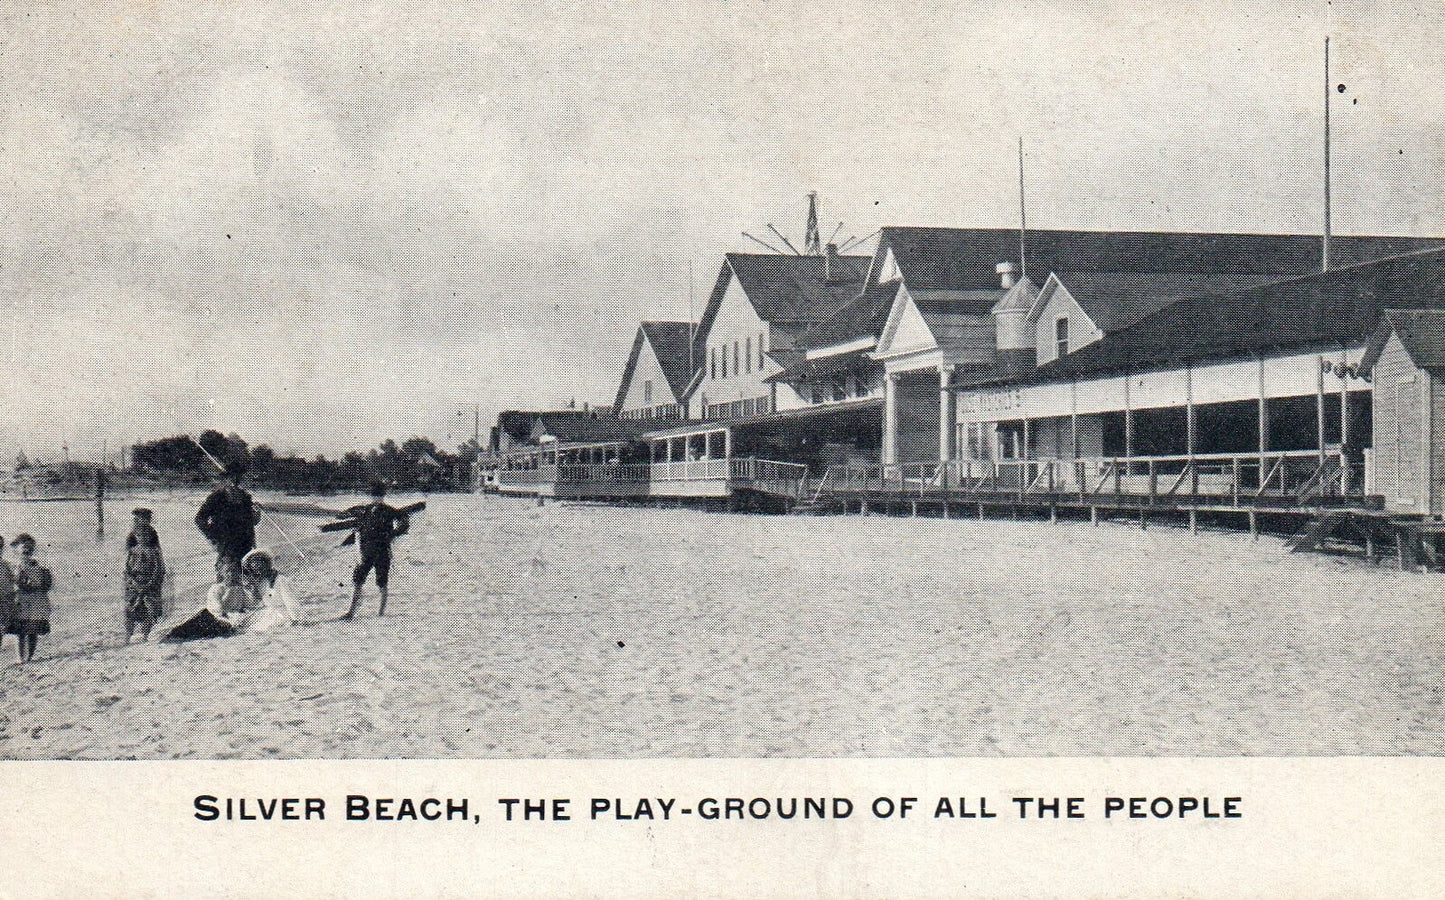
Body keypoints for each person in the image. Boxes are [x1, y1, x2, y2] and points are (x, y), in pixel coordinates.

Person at [194, 464, 259, 614]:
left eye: (237, 479)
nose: (234, 482)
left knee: (246, 577)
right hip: (226, 545)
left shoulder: (245, 498)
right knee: (227, 576)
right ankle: (221, 609)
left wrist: (257, 514)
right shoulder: (217, 498)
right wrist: (213, 538)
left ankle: (240, 607)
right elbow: (199, 519)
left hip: (245, 543)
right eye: (230, 479)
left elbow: (252, 522)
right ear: (224, 480)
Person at [343, 481, 410, 619]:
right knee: (358, 579)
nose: (376, 498)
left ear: (383, 496)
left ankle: (380, 613)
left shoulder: (389, 510)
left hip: (383, 550)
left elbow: (404, 521)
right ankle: (351, 611)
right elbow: (361, 527)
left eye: (379, 496)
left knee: (382, 581)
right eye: (374, 496)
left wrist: (393, 534)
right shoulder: (367, 510)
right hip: (367, 551)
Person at [123, 508, 166, 644]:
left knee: (149, 608)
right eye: (136, 518)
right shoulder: (132, 540)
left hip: (148, 581)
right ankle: (129, 634)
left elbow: (159, 567)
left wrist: (149, 583)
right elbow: (128, 566)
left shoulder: (153, 543)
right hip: (135, 581)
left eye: (142, 518)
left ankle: (146, 633)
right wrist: (131, 580)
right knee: (131, 608)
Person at [9, 534, 51, 663]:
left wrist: (40, 584)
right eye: (24, 547)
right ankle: (20, 657)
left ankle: (29, 656)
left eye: (30, 547)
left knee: (33, 631)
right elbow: (12, 584)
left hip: (37, 602)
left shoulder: (40, 567)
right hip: (21, 602)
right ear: (16, 549)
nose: (27, 550)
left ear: (33, 549)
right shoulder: (14, 567)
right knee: (20, 632)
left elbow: (47, 584)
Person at [238, 548, 302, 631]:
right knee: (248, 626)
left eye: (261, 567)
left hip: (283, 614)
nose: (259, 571)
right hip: (270, 613)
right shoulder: (261, 581)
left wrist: (295, 619)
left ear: (267, 564)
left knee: (260, 629)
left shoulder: (281, 580)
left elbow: (291, 601)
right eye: (255, 569)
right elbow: (257, 601)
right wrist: (252, 588)